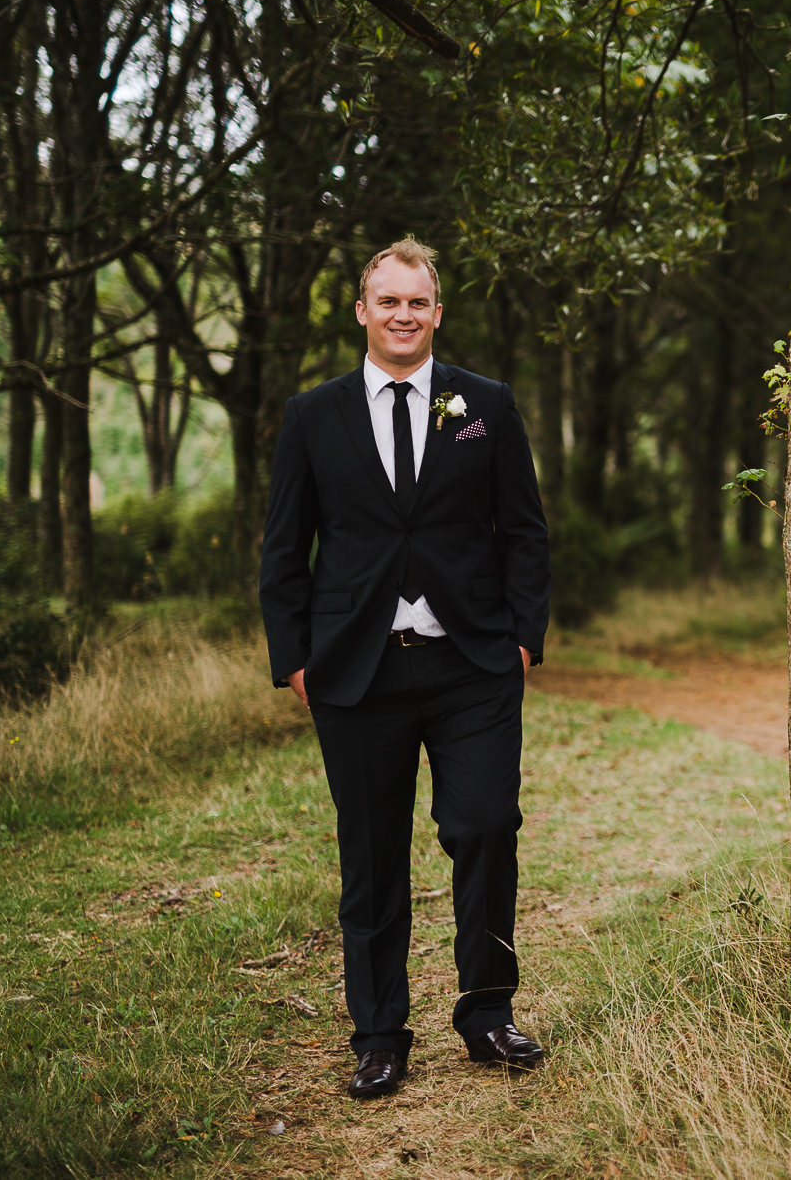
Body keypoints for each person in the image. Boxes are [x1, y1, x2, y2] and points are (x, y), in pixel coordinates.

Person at [259, 237, 552, 1099]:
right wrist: (294, 659)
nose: (402, 314)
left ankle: (487, 1013)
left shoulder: (485, 405)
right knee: (373, 855)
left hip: (472, 663)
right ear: (362, 311)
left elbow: (525, 530)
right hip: (356, 671)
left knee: (487, 822)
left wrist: (522, 637)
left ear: (435, 312)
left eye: (416, 302)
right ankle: (380, 1033)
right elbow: (285, 546)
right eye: (387, 300)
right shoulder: (315, 415)